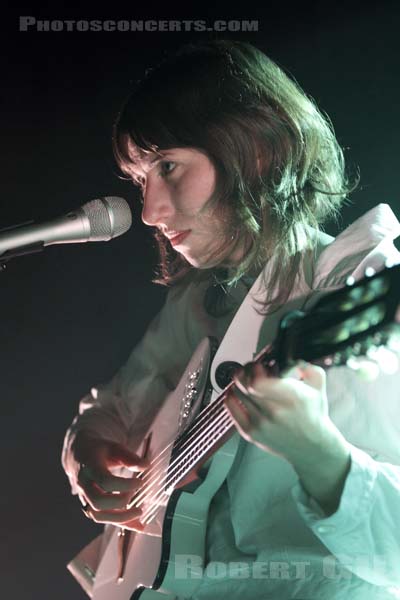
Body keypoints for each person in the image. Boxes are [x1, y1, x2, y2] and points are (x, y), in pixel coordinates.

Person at [62, 40, 400, 599]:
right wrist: (86, 456)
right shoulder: (198, 301)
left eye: (168, 166)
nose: (149, 211)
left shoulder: (362, 284)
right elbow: (110, 409)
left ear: (259, 148)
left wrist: (318, 454)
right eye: (142, 179)